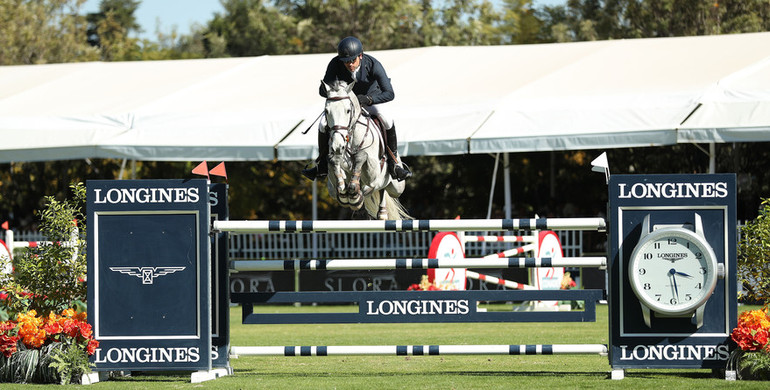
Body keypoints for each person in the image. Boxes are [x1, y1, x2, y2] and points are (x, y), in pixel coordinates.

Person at [302, 36, 412, 182]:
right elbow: (322, 91)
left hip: (371, 99)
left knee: (387, 119)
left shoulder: (373, 64)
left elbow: (389, 93)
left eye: (352, 60)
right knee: (323, 123)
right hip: (347, 103)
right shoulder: (335, 63)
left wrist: (368, 100)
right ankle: (321, 165)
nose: (349, 64)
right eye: (346, 62)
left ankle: (394, 164)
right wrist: (338, 91)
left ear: (361, 55)